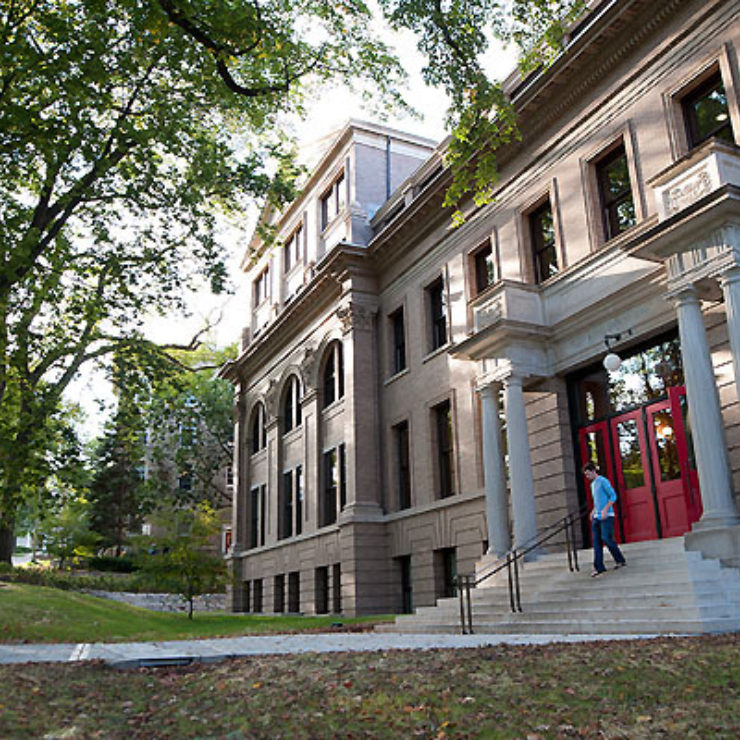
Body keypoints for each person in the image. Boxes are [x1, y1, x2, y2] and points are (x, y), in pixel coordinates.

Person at [583, 462, 626, 577]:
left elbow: (613, 496)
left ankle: (620, 560)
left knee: (606, 538)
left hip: (607, 516)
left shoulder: (603, 481)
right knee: (596, 542)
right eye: (586, 475)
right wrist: (593, 511)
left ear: (593, 471)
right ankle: (599, 567)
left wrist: (605, 510)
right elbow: (597, 501)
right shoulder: (592, 485)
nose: (587, 477)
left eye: (588, 474)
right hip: (597, 517)